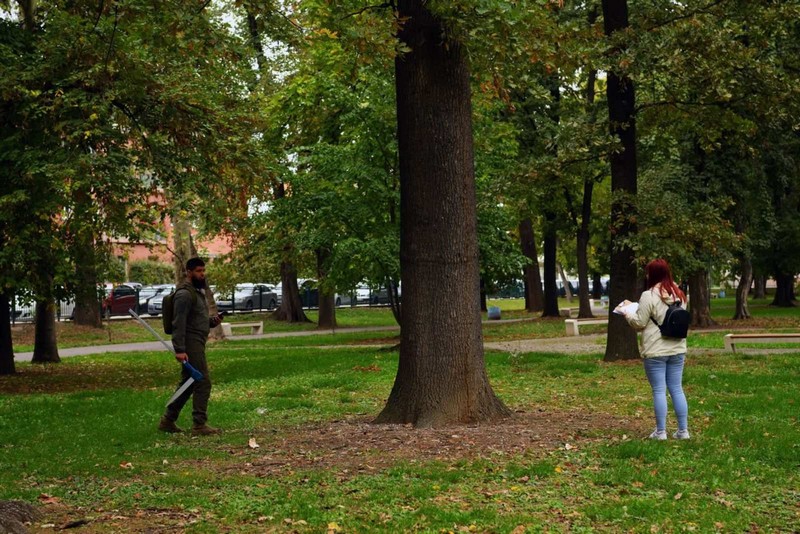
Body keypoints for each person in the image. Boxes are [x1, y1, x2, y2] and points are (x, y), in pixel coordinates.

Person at [620, 259, 690, 441]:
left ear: (653, 274)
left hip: (655, 349)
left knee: (659, 390)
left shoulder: (648, 295)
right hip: (677, 348)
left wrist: (627, 312)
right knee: (677, 388)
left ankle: (660, 432)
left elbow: (639, 323)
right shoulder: (680, 294)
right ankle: (683, 431)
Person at [158, 257, 224, 435]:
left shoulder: (196, 292)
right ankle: (199, 424)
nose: (202, 274)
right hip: (190, 342)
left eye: (203, 271)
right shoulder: (184, 294)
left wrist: (212, 322)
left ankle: (167, 421)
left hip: (197, 341)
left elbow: (196, 319)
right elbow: (179, 323)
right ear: (189, 272)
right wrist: (180, 350)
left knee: (188, 383)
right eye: (198, 271)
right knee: (202, 381)